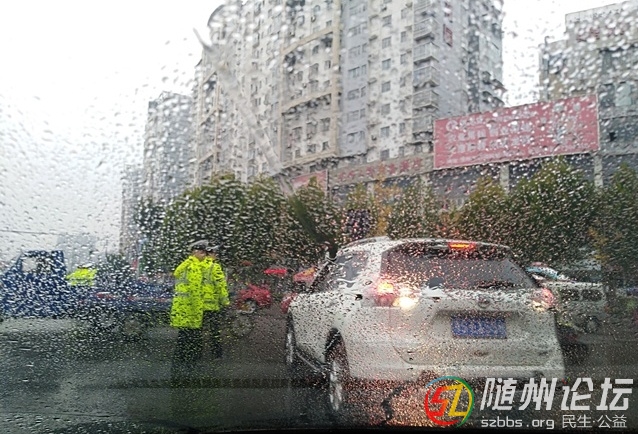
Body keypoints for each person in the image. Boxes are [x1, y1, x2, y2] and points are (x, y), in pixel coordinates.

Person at [170, 240, 208, 382]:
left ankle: (178, 368)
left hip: (182, 309)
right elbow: (195, 292)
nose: (204, 255)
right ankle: (187, 369)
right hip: (190, 310)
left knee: (183, 340)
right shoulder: (194, 267)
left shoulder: (186, 265)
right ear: (195, 252)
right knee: (191, 341)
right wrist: (199, 313)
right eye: (202, 252)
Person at [201, 244, 230, 359]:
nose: (216, 255)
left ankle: (197, 353)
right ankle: (216, 354)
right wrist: (225, 302)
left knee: (199, 330)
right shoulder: (214, 267)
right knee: (214, 331)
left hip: (199, 305)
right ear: (211, 254)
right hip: (212, 305)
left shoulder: (199, 266)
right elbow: (220, 286)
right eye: (215, 253)